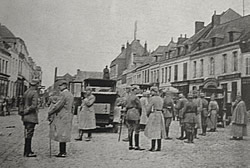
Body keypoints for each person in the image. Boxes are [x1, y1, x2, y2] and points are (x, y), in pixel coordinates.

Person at [48, 79, 74, 157]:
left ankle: (62, 152)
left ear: (65, 86)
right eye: (59, 86)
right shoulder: (70, 94)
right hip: (68, 115)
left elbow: (58, 105)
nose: (59, 87)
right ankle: (63, 151)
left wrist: (50, 112)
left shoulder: (64, 94)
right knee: (64, 133)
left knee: (61, 133)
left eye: (61, 86)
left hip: (62, 115)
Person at [18, 79, 39, 157]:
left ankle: (27, 151)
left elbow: (20, 103)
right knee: (29, 134)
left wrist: (21, 112)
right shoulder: (35, 93)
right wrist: (26, 111)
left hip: (25, 117)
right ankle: (28, 152)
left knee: (27, 133)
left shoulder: (26, 92)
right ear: (36, 85)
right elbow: (34, 106)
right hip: (31, 116)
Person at [145, 87, 166, 151]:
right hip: (160, 114)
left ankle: (153, 147)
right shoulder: (161, 98)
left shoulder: (152, 99)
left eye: (152, 91)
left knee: (153, 130)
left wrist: (148, 114)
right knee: (159, 130)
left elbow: (149, 107)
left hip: (154, 114)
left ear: (154, 92)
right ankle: (159, 147)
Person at [125, 85, 143, 150]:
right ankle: (136, 145)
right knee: (136, 130)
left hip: (128, 113)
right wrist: (140, 114)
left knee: (130, 130)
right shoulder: (136, 98)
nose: (138, 91)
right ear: (134, 90)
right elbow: (140, 107)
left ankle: (130, 145)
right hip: (135, 112)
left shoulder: (128, 97)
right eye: (137, 89)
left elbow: (125, 105)